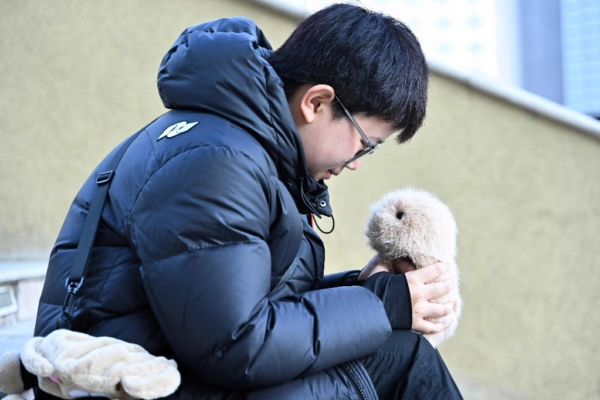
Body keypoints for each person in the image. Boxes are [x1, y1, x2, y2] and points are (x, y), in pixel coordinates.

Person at [29, 3, 463, 399]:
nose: (356, 164)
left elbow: (248, 308)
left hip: (169, 367)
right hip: (123, 385)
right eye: (366, 143)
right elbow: (234, 346)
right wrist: (382, 306)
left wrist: (363, 292)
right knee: (403, 359)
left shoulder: (234, 144)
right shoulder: (216, 163)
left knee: (393, 349)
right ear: (317, 102)